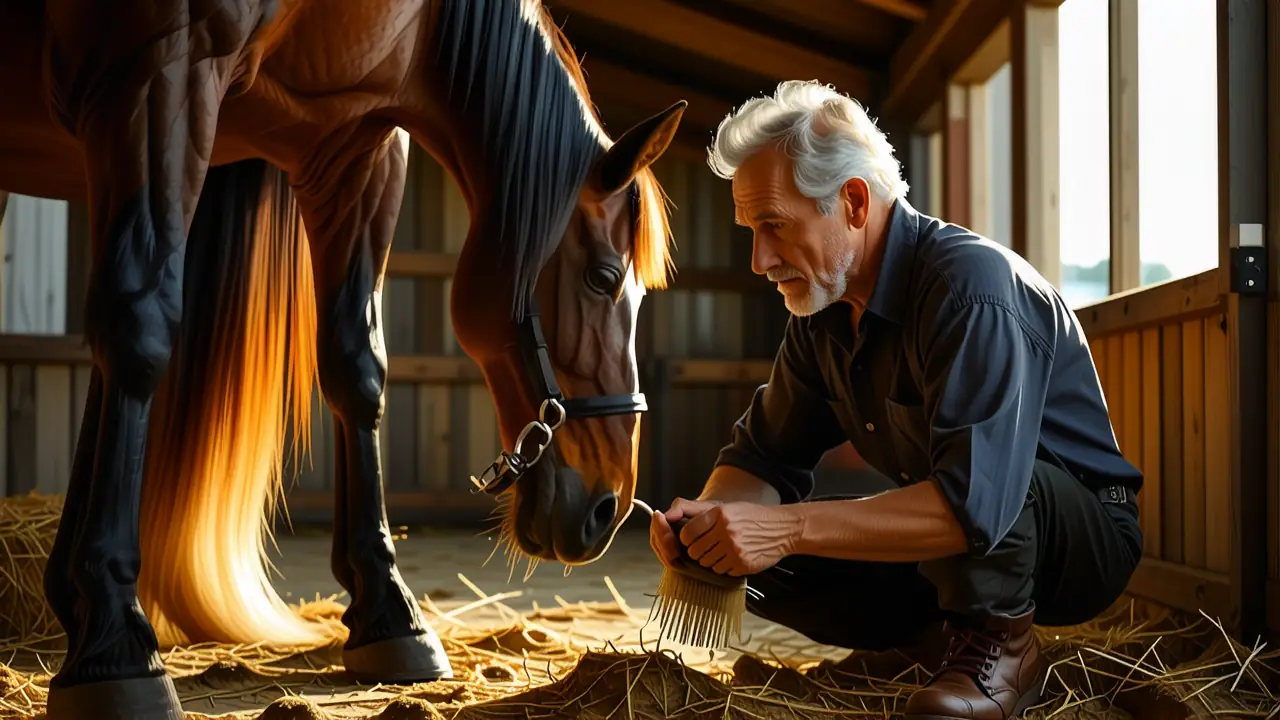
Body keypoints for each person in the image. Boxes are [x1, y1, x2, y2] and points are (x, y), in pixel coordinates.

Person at [648, 80, 1144, 720]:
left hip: (1073, 538)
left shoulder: (969, 289)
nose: (758, 259)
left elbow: (976, 503)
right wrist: (707, 526)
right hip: (953, 535)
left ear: (852, 201)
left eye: (773, 225)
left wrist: (786, 527)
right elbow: (763, 457)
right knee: (751, 561)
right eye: (750, 230)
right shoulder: (822, 313)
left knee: (987, 476)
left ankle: (1002, 650)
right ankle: (938, 640)